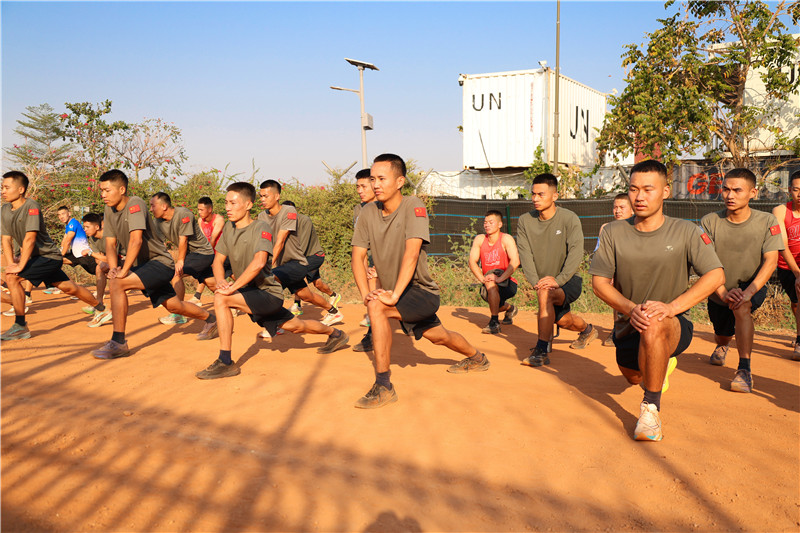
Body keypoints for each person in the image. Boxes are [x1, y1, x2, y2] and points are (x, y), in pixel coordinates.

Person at [590, 159, 725, 441]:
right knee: (634, 377)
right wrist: (631, 309)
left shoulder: (687, 231)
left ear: (665, 191)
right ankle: (659, 366)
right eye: (633, 189)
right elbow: (599, 283)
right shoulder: (613, 232)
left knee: (653, 322)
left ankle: (650, 411)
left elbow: (715, 275)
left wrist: (672, 308)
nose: (639, 196)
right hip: (628, 324)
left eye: (648, 189)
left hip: (672, 323)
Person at [351, 153, 488, 409]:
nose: (375, 184)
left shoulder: (413, 205)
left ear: (400, 181)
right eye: (373, 179)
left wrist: (391, 296)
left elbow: (412, 253)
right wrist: (365, 295)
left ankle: (383, 386)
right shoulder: (367, 212)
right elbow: (357, 256)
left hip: (420, 291)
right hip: (396, 293)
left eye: (382, 178)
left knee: (378, 307)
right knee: (439, 336)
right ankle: (478, 358)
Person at [195, 182, 349, 379]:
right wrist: (220, 281)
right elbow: (218, 261)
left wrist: (232, 288)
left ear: (248, 205)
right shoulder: (229, 229)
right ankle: (336, 334)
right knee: (296, 326)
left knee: (221, 299)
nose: (227, 208)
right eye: (226, 203)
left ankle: (225, 362)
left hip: (267, 294)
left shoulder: (261, 227)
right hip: (251, 293)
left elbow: (259, 262)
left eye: (233, 203)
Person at [91, 170, 218, 360]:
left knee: (117, 283)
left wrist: (122, 271)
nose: (103, 195)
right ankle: (211, 319)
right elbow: (110, 242)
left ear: (122, 189)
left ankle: (118, 342)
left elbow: (136, 240)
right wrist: (114, 266)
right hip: (143, 266)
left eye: (107, 190)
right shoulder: (108, 210)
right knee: (174, 306)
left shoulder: (135, 204)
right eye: (101, 190)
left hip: (159, 263)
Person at [1, 171, 111, 341]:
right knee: (69, 288)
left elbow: (30, 239)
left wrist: (19, 266)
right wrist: (11, 264)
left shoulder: (31, 206)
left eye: (7, 187)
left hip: (49, 256)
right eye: (2, 187)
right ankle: (102, 309)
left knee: (12, 278)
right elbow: (6, 238)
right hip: (38, 258)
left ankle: (20, 326)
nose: (3, 191)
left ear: (21, 189)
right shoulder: (5, 209)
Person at [700, 168, 782, 393]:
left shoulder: (767, 220)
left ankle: (744, 370)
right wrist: (723, 292)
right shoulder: (709, 221)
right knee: (722, 335)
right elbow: (705, 263)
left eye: (737, 190)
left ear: (753, 193)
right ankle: (723, 345)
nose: (730, 195)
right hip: (717, 288)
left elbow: (771, 261)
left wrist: (747, 293)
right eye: (726, 189)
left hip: (751, 286)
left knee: (741, 308)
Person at [516, 173, 598, 367]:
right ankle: (587, 330)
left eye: (541, 194)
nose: (535, 198)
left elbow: (576, 253)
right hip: (542, 282)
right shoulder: (524, 221)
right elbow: (525, 255)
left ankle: (541, 350)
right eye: (533, 194)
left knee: (546, 294)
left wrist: (558, 280)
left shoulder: (569, 218)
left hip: (568, 280)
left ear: (555, 196)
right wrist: (536, 282)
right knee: (562, 321)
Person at [257, 180, 342, 325]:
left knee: (272, 282)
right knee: (305, 295)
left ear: (277, 196)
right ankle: (333, 312)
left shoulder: (289, 211)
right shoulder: (261, 217)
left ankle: (276, 323)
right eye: (261, 196)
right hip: (283, 265)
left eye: (266, 196)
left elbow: (280, 241)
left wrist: (267, 266)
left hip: (297, 262)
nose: (262, 199)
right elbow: (264, 243)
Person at [149, 192, 219, 325]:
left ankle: (178, 314)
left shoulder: (183, 214)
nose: (151, 209)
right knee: (212, 283)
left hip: (202, 253)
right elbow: (158, 244)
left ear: (164, 206)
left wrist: (180, 261)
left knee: (176, 274)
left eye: (153, 205)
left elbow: (183, 240)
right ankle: (236, 302)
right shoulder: (157, 222)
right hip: (191, 255)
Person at [281, 200, 341, 319]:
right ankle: (333, 295)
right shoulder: (284, 223)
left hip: (314, 256)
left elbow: (302, 246)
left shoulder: (304, 220)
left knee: (294, 274)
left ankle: (298, 305)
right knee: (317, 284)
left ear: (294, 211)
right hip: (301, 258)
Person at [467, 210, 520, 334]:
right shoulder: (480, 239)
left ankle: (494, 323)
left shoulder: (506, 239)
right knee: (496, 304)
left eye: (491, 222)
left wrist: (499, 278)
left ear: (500, 224)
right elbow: (472, 261)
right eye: (485, 222)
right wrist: (482, 279)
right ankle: (510, 308)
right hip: (489, 282)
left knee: (492, 288)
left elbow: (515, 261)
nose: (487, 225)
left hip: (507, 282)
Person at [595, 193, 634, 346]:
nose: (617, 211)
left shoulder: (638, 227)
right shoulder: (605, 228)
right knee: (617, 301)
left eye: (622, 207)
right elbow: (600, 253)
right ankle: (617, 330)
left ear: (632, 210)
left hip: (634, 272)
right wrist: (608, 274)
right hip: (614, 271)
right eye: (615, 207)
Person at [772, 170, 800, 361]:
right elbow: (782, 244)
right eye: (796, 190)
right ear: (790, 190)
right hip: (787, 267)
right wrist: (798, 273)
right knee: (796, 303)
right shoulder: (780, 211)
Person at [353, 168, 378, 349]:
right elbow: (360, 245)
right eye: (357, 187)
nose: (359, 191)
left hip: (392, 261)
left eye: (363, 186)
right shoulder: (359, 209)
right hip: (372, 261)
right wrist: (365, 269)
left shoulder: (387, 206)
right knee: (372, 292)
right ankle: (372, 334)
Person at [190, 196, 225, 304]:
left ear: (209, 209)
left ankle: (238, 298)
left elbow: (213, 238)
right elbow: (203, 239)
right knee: (204, 272)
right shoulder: (200, 221)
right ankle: (197, 297)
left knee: (231, 275)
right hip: (210, 252)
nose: (199, 212)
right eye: (198, 209)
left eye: (201, 210)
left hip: (222, 253)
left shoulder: (219, 220)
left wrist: (206, 255)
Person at [78, 213, 113, 316]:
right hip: (112, 261)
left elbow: (111, 258)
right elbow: (98, 258)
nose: (85, 230)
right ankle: (99, 304)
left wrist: (91, 253)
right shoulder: (92, 238)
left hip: (125, 260)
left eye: (87, 227)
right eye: (84, 227)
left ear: (97, 227)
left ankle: (115, 309)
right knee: (99, 268)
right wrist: (102, 263)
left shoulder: (109, 236)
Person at [56, 205, 99, 286]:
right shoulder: (68, 225)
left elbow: (68, 241)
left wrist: (62, 254)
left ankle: (120, 282)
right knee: (57, 261)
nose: (61, 216)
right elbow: (64, 240)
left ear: (69, 213)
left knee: (99, 272)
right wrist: (60, 251)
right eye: (59, 215)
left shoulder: (73, 223)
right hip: (76, 255)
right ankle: (55, 283)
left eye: (63, 214)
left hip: (84, 254)